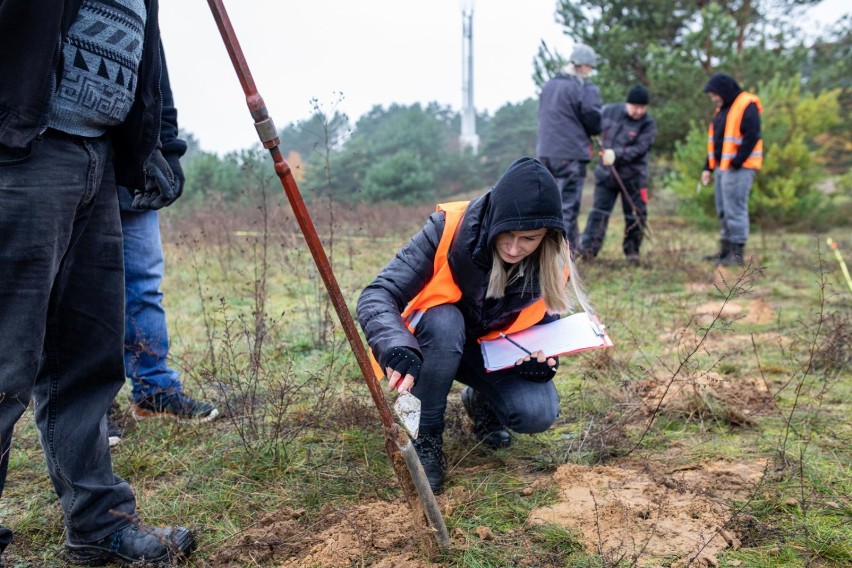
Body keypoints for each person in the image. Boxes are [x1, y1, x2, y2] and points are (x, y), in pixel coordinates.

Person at [0, 0, 195, 564]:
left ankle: (96, 522)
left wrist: (156, 144)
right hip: (20, 149)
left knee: (87, 359)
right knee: (4, 363)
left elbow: (147, 54)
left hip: (97, 155)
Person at [357, 157, 585, 494]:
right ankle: (426, 438)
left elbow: (543, 322)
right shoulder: (447, 228)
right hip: (432, 344)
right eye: (506, 234)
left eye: (529, 239)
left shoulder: (554, 256)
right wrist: (395, 344)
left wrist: (541, 362)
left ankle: (480, 403)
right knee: (445, 319)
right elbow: (377, 294)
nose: (513, 248)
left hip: (490, 354)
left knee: (538, 411)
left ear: (547, 235)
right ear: (494, 217)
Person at [107, 57, 218, 445]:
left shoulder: (142, 8)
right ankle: (88, 406)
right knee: (79, 292)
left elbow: (157, 81)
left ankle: (154, 392)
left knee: (145, 286)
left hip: (131, 170)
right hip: (64, 158)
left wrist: (168, 149)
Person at [578, 85, 657, 265]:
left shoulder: (648, 124)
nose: (638, 111)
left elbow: (640, 148)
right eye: (635, 106)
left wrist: (616, 154)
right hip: (606, 176)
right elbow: (592, 125)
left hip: (634, 177)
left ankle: (632, 252)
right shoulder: (609, 111)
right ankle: (588, 250)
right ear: (627, 103)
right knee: (598, 213)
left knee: (636, 215)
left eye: (642, 108)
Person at [536, 43, 603, 250]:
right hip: (570, 154)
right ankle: (567, 255)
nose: (590, 72)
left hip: (545, 153)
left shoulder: (548, 85)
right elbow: (593, 119)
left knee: (546, 205)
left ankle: (543, 253)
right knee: (568, 207)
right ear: (582, 66)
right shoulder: (583, 88)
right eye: (589, 68)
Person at [700, 72, 763, 266]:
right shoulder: (722, 110)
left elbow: (753, 135)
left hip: (739, 168)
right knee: (723, 210)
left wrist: (737, 162)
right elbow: (716, 142)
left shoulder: (747, 104)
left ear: (723, 91)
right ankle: (725, 251)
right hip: (722, 168)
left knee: (735, 209)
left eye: (713, 93)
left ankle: (736, 256)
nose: (712, 98)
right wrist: (708, 167)